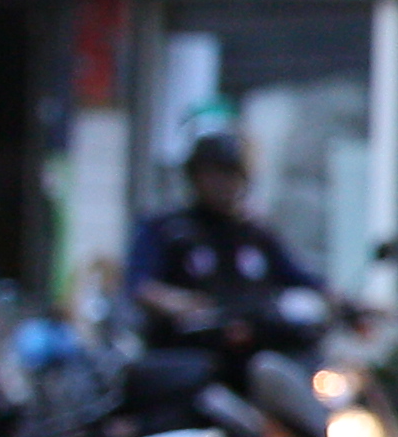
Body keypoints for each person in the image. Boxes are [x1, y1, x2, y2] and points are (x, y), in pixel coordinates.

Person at [124, 129, 315, 357]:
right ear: (194, 177)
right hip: (187, 348)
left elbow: (300, 276)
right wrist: (177, 303)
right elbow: (140, 284)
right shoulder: (168, 229)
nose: (223, 184)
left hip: (255, 344)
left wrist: (338, 300)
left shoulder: (256, 234)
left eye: (231, 174)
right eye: (213, 174)